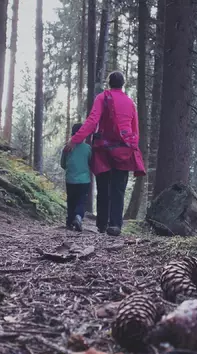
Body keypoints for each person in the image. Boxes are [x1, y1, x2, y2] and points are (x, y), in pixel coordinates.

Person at [64, 71, 146, 236]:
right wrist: (132, 147)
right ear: (123, 84)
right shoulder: (130, 103)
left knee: (103, 187)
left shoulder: (103, 97)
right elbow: (135, 130)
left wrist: (75, 139)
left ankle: (102, 224)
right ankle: (115, 225)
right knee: (118, 188)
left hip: (104, 149)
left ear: (109, 83)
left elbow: (92, 121)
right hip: (124, 149)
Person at [60, 123, 92, 232]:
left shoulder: (67, 148)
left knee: (71, 200)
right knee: (81, 200)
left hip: (70, 179)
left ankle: (69, 222)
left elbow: (63, 164)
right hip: (84, 180)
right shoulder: (88, 148)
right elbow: (91, 162)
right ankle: (78, 216)